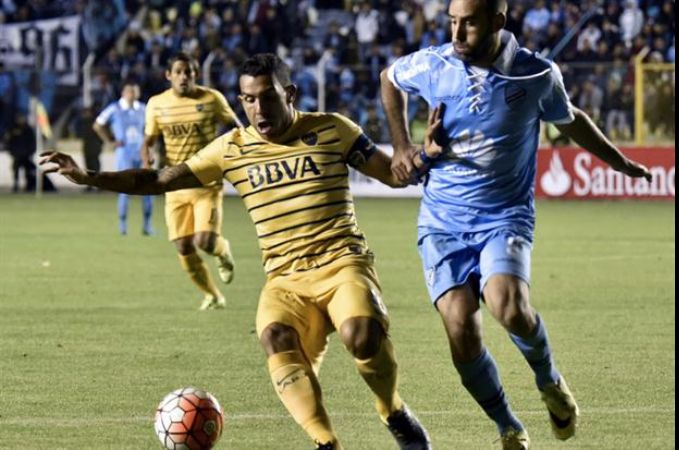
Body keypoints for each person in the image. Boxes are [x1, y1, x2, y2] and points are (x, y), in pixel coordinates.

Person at [41, 53, 434, 450]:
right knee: (275, 335)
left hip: (342, 263)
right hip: (285, 279)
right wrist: (89, 176)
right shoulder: (231, 148)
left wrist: (426, 155)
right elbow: (160, 178)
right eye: (247, 99)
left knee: (361, 334)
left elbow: (394, 174)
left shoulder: (333, 129)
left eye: (267, 97)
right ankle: (326, 443)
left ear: (291, 94)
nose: (257, 109)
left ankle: (392, 410)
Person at [380, 0, 653, 448]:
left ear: (497, 22)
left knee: (507, 305)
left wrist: (620, 162)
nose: (457, 32)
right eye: (452, 21)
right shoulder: (434, 64)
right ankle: (508, 424)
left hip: (503, 214)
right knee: (461, 333)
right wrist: (402, 145)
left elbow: (572, 121)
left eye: (468, 22)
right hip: (442, 221)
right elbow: (389, 78)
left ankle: (550, 383)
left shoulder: (536, 75)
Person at [140, 52, 240, 310]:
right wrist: (147, 159)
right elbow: (150, 139)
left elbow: (235, 127)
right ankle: (213, 295)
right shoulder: (156, 104)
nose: (184, 77)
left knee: (204, 241)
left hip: (206, 182)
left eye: (189, 72)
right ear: (169, 75)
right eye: (179, 72)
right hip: (174, 183)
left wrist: (231, 154)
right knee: (183, 246)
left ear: (197, 75)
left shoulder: (212, 99)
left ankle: (222, 249)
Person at [93, 80, 153, 234]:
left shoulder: (143, 108)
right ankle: (123, 227)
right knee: (124, 189)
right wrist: (109, 141)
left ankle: (147, 226)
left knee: (148, 189)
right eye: (131, 92)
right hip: (124, 153)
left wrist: (149, 145)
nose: (134, 95)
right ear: (124, 93)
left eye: (136, 92)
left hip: (141, 153)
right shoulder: (115, 108)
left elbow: (153, 128)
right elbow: (98, 125)